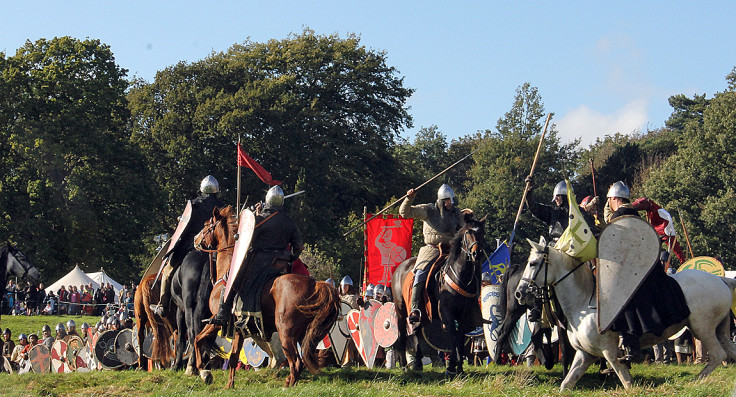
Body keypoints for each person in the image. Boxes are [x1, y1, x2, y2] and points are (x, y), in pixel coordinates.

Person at [605, 181, 691, 363]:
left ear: (614, 199)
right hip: (645, 269)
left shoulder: (619, 216)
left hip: (632, 271)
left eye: (609, 200)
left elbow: (613, 242)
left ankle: (631, 347)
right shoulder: (635, 215)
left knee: (621, 304)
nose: (609, 204)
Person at [208, 185, 303, 326]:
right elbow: (299, 247)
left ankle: (222, 314)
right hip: (281, 263)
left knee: (230, 277)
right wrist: (289, 258)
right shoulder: (290, 222)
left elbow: (244, 239)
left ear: (268, 200)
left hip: (260, 261)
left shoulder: (261, 220)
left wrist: (253, 218)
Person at [154, 175, 225, 316]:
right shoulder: (222, 206)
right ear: (216, 190)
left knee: (168, 270)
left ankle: (163, 304)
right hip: (214, 249)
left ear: (202, 189)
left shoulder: (194, 204)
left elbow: (184, 227)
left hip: (190, 245)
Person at [399, 183, 463, 324]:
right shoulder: (428, 210)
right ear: (440, 200)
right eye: (446, 200)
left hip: (451, 250)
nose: (449, 203)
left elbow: (465, 228)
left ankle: (471, 310)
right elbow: (404, 213)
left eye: (451, 199)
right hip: (432, 250)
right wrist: (409, 198)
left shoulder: (457, 213)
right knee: (421, 274)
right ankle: (415, 309)